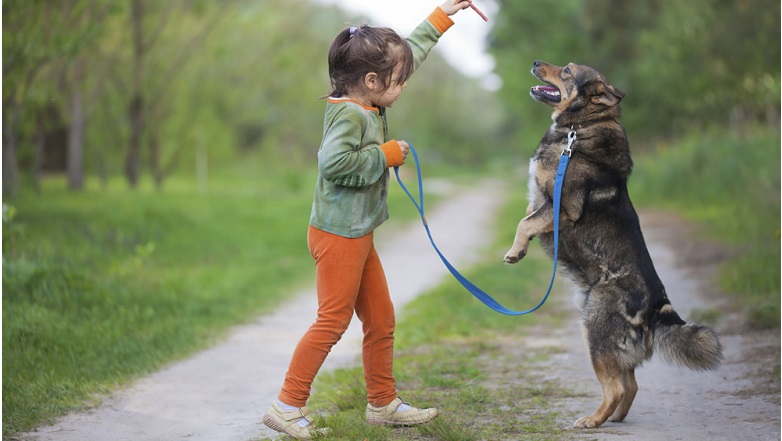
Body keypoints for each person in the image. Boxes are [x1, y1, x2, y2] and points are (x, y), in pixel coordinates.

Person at [262, 1, 474, 439]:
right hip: (338, 236)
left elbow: (407, 52)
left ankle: (382, 404)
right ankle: (287, 405)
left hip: (357, 233)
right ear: (372, 81)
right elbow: (333, 165)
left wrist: (440, 18)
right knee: (332, 321)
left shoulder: (368, 97)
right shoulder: (349, 113)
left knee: (381, 319)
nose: (403, 85)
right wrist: (385, 155)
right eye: (398, 81)